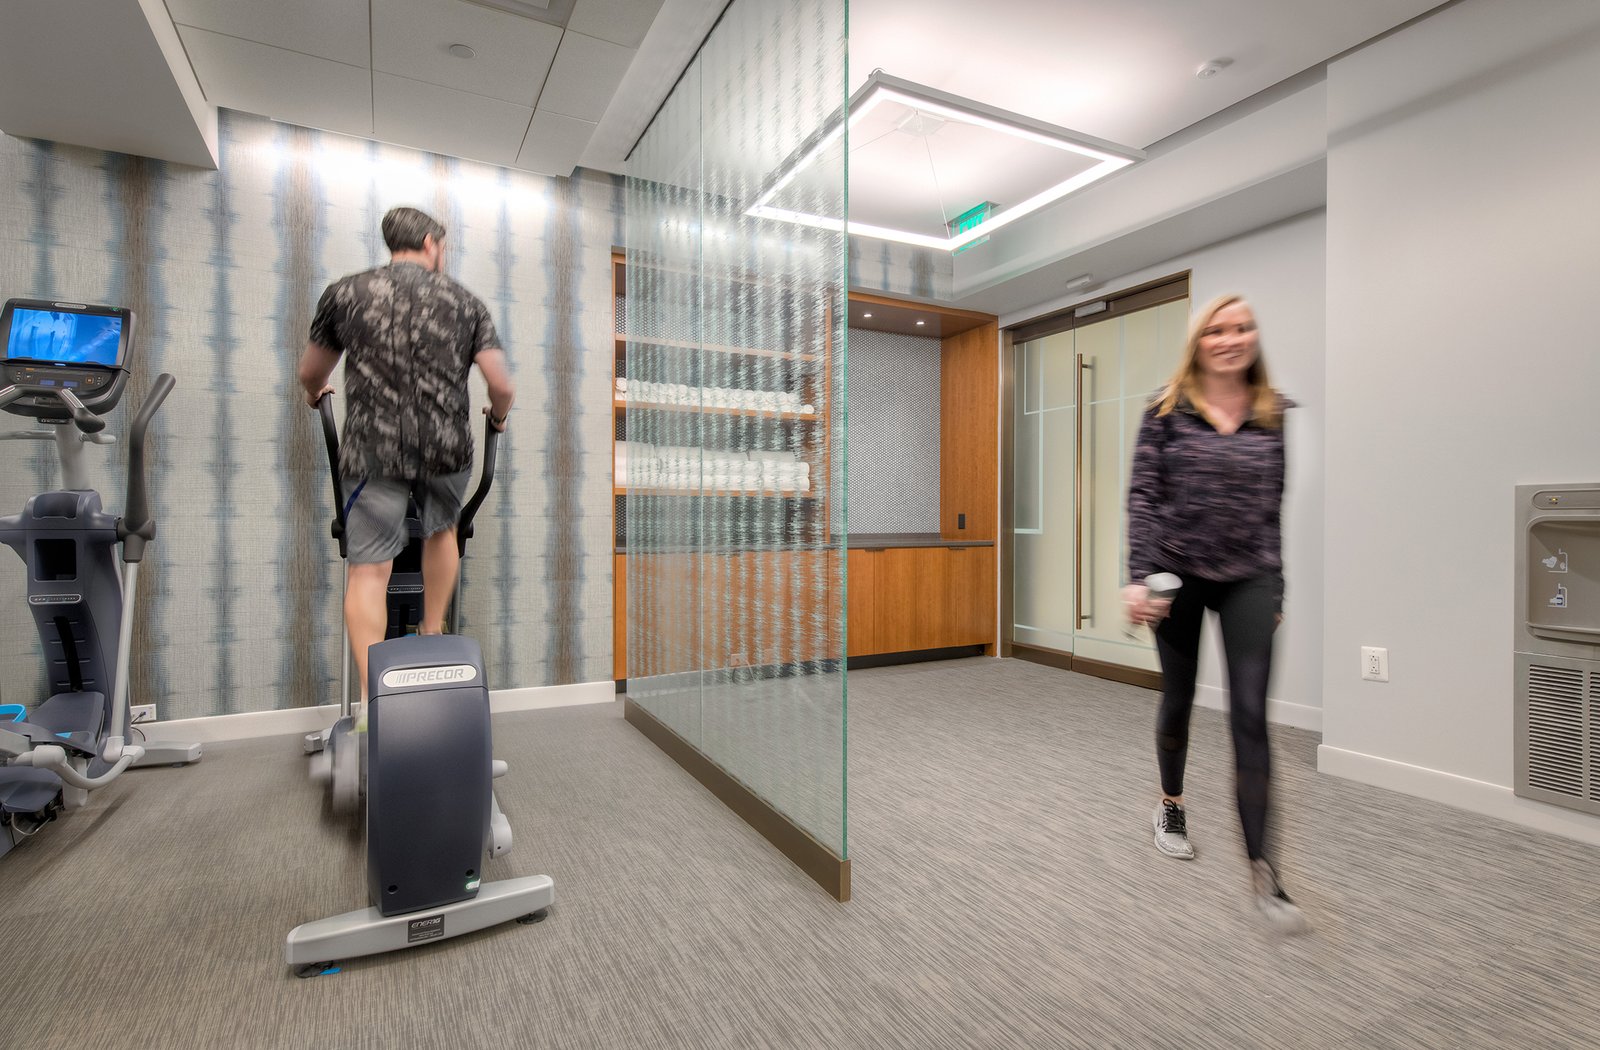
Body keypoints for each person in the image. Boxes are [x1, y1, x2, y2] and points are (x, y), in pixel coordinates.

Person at [1122, 293, 1306, 934]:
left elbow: (1272, 508)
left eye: (1244, 327)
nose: (1232, 339)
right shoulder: (1166, 411)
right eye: (1218, 330)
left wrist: (1276, 588)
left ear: (1256, 337)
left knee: (1251, 718)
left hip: (1249, 576)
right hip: (1179, 573)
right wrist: (1138, 577)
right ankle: (1170, 804)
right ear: (1199, 342)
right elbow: (1143, 497)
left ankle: (1264, 870)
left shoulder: (1273, 413)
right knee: (1178, 697)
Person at [297, 206, 515, 698]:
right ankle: (431, 630)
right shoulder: (465, 301)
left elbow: (312, 373)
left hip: (373, 449)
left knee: (369, 569)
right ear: (430, 242)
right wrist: (498, 417)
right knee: (443, 532)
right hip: (445, 446)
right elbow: (501, 384)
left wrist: (315, 394)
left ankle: (374, 696)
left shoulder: (345, 294)